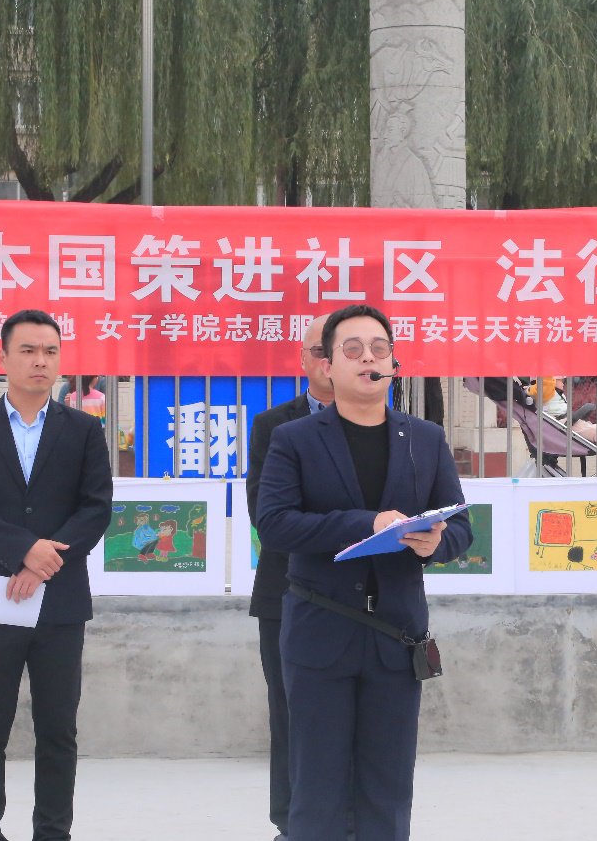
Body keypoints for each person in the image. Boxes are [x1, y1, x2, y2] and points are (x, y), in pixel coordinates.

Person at [256, 303, 472, 841]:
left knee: (388, 786)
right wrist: (365, 523)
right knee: (317, 787)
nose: (368, 359)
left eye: (379, 349)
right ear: (327, 365)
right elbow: (275, 524)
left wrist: (435, 543)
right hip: (319, 632)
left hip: (397, 635)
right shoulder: (295, 438)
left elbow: (461, 527)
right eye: (352, 350)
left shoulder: (425, 439)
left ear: (394, 364)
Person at [0, 308, 113, 841]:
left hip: (60, 601)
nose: (41, 361)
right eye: (29, 350)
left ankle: (52, 832)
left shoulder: (83, 430)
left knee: (58, 730)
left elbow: (96, 508)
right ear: (3, 358)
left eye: (50, 351)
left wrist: (43, 565)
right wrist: (24, 551)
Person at [246, 314, 334, 841]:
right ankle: (291, 822)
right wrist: (351, 524)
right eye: (319, 350)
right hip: (286, 594)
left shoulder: (393, 429)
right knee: (290, 715)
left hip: (367, 598)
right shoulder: (273, 426)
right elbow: (268, 515)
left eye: (342, 349)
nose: (330, 359)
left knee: (359, 718)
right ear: (303, 360)